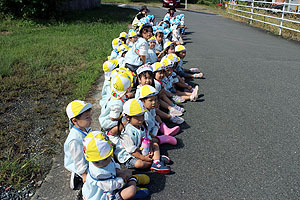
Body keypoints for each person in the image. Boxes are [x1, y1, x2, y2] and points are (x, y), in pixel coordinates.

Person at [82, 131, 150, 200]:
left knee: (125, 173)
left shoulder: (94, 159)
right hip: (101, 196)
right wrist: (122, 179)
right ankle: (133, 181)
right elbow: (110, 185)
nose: (102, 163)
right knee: (130, 191)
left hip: (110, 185)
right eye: (97, 162)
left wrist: (119, 171)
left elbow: (113, 164)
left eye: (105, 159)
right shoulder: (98, 173)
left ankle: (130, 182)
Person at [114, 98, 171, 174]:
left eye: (142, 115)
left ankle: (156, 162)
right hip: (128, 154)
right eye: (137, 117)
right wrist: (144, 158)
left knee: (155, 145)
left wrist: (150, 148)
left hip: (141, 148)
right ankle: (155, 160)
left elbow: (147, 138)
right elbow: (131, 150)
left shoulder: (142, 126)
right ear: (128, 117)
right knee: (139, 164)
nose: (141, 119)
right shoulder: (126, 132)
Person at [99, 71, 133, 144]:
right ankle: (111, 134)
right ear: (128, 89)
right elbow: (113, 117)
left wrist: (126, 96)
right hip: (107, 121)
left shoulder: (114, 93)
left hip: (105, 115)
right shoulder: (117, 104)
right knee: (126, 121)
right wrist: (124, 117)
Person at [64, 100, 92, 190]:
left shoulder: (84, 128)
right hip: (77, 162)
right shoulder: (75, 139)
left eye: (90, 116)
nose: (91, 119)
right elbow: (78, 158)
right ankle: (77, 175)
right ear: (75, 121)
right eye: (87, 118)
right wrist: (84, 174)